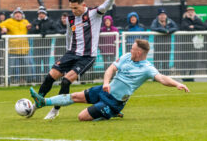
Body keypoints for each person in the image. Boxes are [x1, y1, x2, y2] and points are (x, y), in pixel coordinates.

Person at [30, 39, 190, 121]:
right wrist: (106, 83)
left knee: (81, 117)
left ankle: (113, 113)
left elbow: (162, 78)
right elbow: (111, 69)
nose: (130, 50)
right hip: (105, 90)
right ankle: (43, 101)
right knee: (75, 96)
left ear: (140, 52)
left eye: (133, 49)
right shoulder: (127, 57)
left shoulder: (147, 68)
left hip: (113, 102)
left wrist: (177, 84)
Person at [29, 0, 120, 120]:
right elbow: (68, 35)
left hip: (87, 56)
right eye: (71, 8)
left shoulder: (94, 14)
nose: (73, 11)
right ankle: (36, 103)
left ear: (83, 5)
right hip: (71, 53)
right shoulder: (70, 19)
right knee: (50, 76)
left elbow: (105, 6)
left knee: (66, 81)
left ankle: (55, 110)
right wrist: (67, 52)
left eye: (76, 8)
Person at [0, 7, 32, 83]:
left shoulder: (25, 21)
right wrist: (3, 28)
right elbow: (1, 24)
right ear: (13, 15)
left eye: (19, 13)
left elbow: (29, 26)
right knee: (10, 67)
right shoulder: (9, 21)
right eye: (16, 13)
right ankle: (8, 81)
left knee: (25, 66)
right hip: (12, 49)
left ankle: (24, 81)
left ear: (22, 15)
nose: (18, 15)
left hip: (24, 49)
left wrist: (29, 27)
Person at [29, 6, 59, 81]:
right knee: (38, 64)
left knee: (46, 64)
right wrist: (36, 30)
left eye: (42, 13)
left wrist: (46, 33)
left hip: (46, 46)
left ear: (45, 14)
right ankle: (38, 80)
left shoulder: (50, 21)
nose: (41, 15)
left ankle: (46, 80)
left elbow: (55, 30)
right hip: (37, 47)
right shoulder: (35, 21)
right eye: (39, 13)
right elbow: (31, 31)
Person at [178, 6, 206, 81]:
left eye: (192, 11)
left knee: (193, 62)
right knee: (185, 61)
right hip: (185, 44)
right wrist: (193, 26)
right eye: (189, 11)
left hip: (194, 46)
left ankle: (191, 76)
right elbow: (185, 27)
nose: (191, 12)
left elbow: (203, 27)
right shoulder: (184, 19)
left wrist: (193, 25)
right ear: (187, 12)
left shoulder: (197, 19)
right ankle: (184, 76)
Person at [150, 8, 178, 74]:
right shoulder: (155, 21)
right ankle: (156, 77)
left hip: (167, 45)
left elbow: (176, 27)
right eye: (161, 15)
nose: (162, 16)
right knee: (157, 62)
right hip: (158, 46)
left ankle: (166, 76)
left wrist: (169, 31)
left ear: (166, 15)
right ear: (158, 16)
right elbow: (152, 28)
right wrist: (163, 30)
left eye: (164, 14)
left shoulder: (170, 21)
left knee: (166, 62)